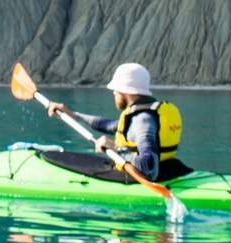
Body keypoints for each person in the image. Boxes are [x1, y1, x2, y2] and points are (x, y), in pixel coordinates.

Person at [46, 63, 184, 182]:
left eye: (115, 90)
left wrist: (116, 149)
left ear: (125, 91)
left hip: (140, 177)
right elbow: (109, 125)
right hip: (170, 169)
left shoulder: (142, 120)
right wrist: (73, 115)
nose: (113, 94)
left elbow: (149, 169)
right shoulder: (147, 114)